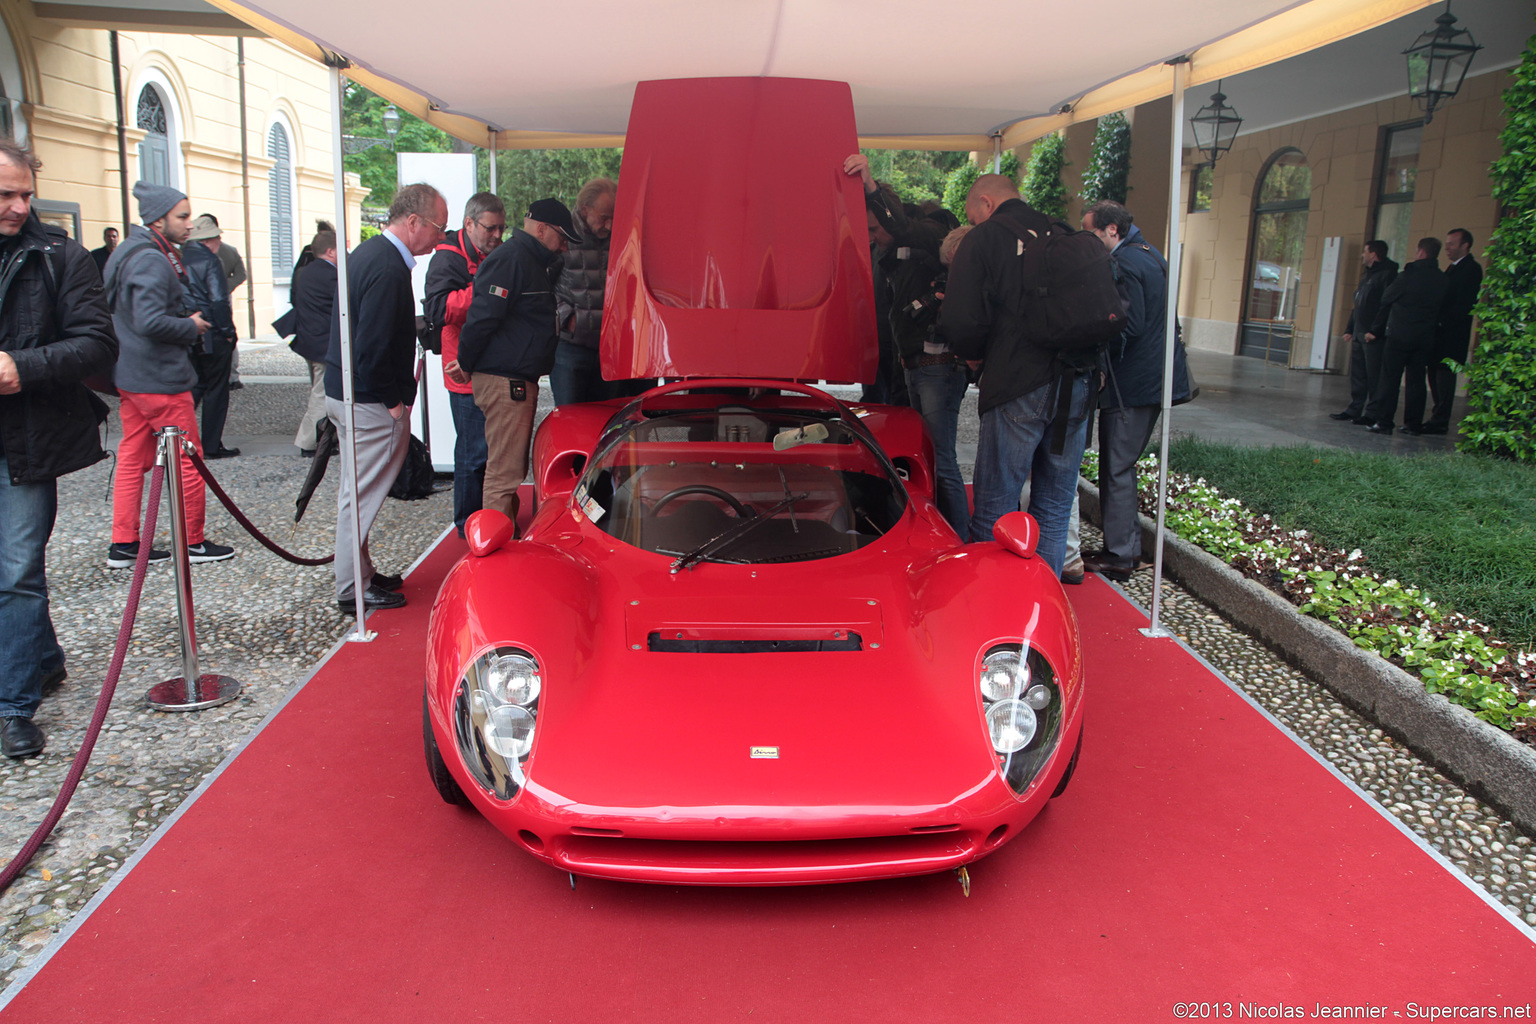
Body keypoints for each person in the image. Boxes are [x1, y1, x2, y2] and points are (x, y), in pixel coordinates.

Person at [0, 140, 117, 758]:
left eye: (25, 193)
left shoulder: (59, 256)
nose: (19, 206)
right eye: (5, 195)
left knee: (17, 570)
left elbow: (97, 345)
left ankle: (14, 705)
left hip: (27, 435)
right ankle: (41, 658)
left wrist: (22, 367)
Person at [939, 174, 1094, 577]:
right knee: (1055, 504)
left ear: (986, 204)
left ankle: (992, 604)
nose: (973, 224)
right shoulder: (1060, 233)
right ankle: (1044, 603)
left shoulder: (986, 238)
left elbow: (959, 320)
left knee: (996, 503)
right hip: (1077, 380)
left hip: (1017, 380)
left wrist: (974, 361)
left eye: (973, 216)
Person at [325, 182, 446, 614]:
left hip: (350, 393)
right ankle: (351, 587)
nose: (440, 237)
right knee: (359, 497)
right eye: (437, 227)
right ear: (412, 222)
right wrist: (394, 403)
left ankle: (359, 574)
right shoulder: (387, 267)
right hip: (367, 400)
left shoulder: (371, 255)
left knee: (355, 493)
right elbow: (372, 346)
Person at [104, 181, 236, 569]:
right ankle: (192, 541)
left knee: (132, 455)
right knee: (188, 459)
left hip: (132, 374)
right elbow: (149, 321)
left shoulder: (128, 250)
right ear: (158, 220)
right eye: (182, 216)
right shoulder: (150, 258)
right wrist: (191, 326)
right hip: (158, 378)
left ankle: (124, 542)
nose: (189, 224)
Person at [845, 152, 966, 534]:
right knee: (921, 452)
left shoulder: (922, 239)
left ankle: (953, 535)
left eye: (876, 230)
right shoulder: (894, 253)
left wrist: (870, 186)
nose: (873, 238)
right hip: (904, 364)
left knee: (936, 455)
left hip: (926, 366)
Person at [1079, 201, 1191, 583]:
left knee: (1117, 466)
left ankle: (1121, 554)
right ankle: (1122, 548)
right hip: (1153, 378)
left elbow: (1128, 324)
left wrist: (1100, 354)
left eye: (1092, 231)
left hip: (1134, 382)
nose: (1089, 240)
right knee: (1119, 465)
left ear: (1112, 230)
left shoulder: (1126, 262)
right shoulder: (1149, 254)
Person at [458, 198, 578, 531]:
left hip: (512, 378)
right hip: (506, 380)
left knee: (506, 469)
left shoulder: (526, 259)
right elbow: (481, 319)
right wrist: (466, 361)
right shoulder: (513, 259)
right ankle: (494, 552)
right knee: (504, 472)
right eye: (562, 237)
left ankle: (501, 538)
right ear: (542, 229)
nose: (565, 247)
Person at [423, 191, 505, 536]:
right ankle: (466, 525)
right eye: (491, 228)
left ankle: (486, 519)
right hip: (464, 373)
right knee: (473, 455)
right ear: (469, 224)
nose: (497, 236)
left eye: (502, 228)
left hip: (492, 366)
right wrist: (487, 291)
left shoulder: (493, 252)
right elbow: (438, 310)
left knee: (491, 454)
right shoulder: (447, 259)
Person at [552, 178, 638, 405]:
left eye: (614, 218)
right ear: (584, 210)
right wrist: (567, 318)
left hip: (609, 349)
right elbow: (540, 285)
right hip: (571, 348)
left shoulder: (621, 237)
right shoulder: (560, 236)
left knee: (606, 420)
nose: (609, 226)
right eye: (603, 218)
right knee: (570, 421)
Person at [1364, 237, 1448, 436]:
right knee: (1417, 381)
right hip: (1425, 337)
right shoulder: (1442, 279)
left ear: (1420, 252)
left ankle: (1384, 422)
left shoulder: (1408, 276)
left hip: (1399, 335)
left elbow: (1387, 297)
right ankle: (1413, 424)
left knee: (1390, 380)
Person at [182, 214, 239, 458]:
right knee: (217, 390)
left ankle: (179, 436)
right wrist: (229, 332)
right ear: (209, 240)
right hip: (212, 331)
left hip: (188, 329)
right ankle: (211, 444)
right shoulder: (209, 260)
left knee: (195, 385)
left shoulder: (178, 257)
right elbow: (218, 299)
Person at [1329, 240, 1397, 424]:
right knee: (1358, 374)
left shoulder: (1387, 276)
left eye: (1365, 252)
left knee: (1373, 376)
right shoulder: (1367, 276)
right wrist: (1350, 328)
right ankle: (1354, 408)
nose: (1362, 255)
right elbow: (1358, 305)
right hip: (1359, 332)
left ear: (1373, 254)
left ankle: (1372, 413)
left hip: (1372, 336)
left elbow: (1385, 307)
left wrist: (1375, 330)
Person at [1422, 228, 1482, 435]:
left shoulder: (1471, 269)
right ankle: (1436, 416)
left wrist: (1441, 322)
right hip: (1439, 335)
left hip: (1453, 336)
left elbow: (1462, 304)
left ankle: (1440, 420)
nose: (1447, 248)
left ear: (1465, 246)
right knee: (1434, 375)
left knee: (1445, 378)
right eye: (1446, 243)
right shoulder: (1452, 268)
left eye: (1452, 244)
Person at [289, 227, 336, 455]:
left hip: (309, 340)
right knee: (322, 393)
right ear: (330, 251)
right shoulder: (330, 275)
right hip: (323, 344)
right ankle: (308, 442)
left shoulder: (305, 271)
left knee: (321, 390)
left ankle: (325, 437)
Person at [198, 215, 247, 389]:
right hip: (210, 297)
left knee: (225, 333)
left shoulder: (228, 251)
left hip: (219, 297)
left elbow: (241, 274)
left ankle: (231, 375)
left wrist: (225, 287)